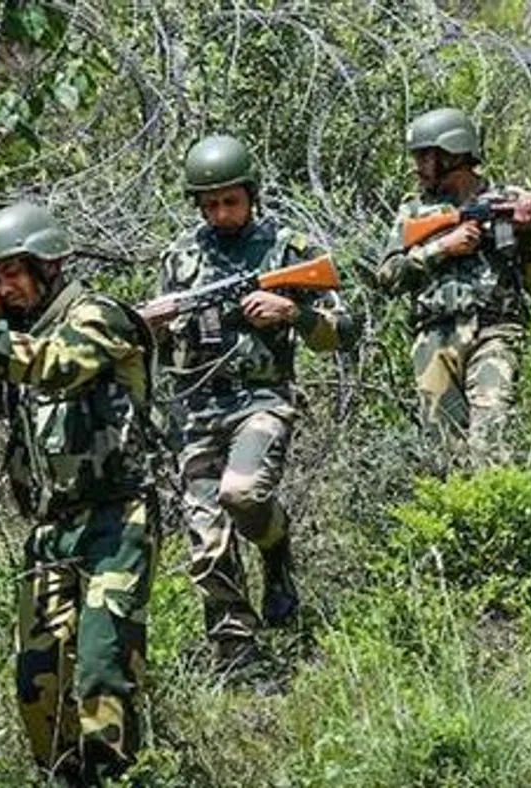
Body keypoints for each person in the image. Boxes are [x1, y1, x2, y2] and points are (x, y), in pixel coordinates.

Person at [0, 202, 157, 785]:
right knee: (37, 684)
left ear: (50, 263)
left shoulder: (99, 317)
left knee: (102, 674)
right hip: (49, 532)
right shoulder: (5, 337)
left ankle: (117, 778)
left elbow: (56, 367)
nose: (4, 288)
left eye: (12, 273)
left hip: (117, 522)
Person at [148, 134, 353, 673]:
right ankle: (238, 655)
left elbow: (345, 330)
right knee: (205, 541)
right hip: (196, 412)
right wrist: (157, 328)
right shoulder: (181, 258)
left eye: (230, 202)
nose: (220, 213)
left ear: (251, 195)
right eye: (209, 204)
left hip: (262, 401)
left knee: (241, 495)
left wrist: (292, 314)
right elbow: (160, 348)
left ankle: (274, 548)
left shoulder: (289, 248)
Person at [374, 107, 531, 457]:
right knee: (444, 452)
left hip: (495, 331)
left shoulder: (507, 200)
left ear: (453, 153)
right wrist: (442, 248)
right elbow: (388, 277)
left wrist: (528, 233)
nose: (418, 166)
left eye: (426, 156)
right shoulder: (414, 211)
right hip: (435, 338)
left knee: (490, 442)